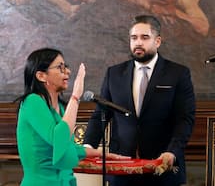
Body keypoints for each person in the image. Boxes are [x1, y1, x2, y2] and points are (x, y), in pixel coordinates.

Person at [83, 15, 195, 186]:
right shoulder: (114, 74)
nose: (138, 43)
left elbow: (184, 119)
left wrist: (172, 152)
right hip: (121, 168)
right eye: (134, 38)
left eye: (144, 37)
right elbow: (100, 115)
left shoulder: (178, 73)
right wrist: (88, 147)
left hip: (162, 167)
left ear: (157, 41)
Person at [16, 48, 130, 186]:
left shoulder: (61, 107)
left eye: (66, 67)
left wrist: (102, 154)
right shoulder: (32, 102)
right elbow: (58, 139)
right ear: (41, 76)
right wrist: (76, 96)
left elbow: (68, 148)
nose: (68, 72)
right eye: (60, 68)